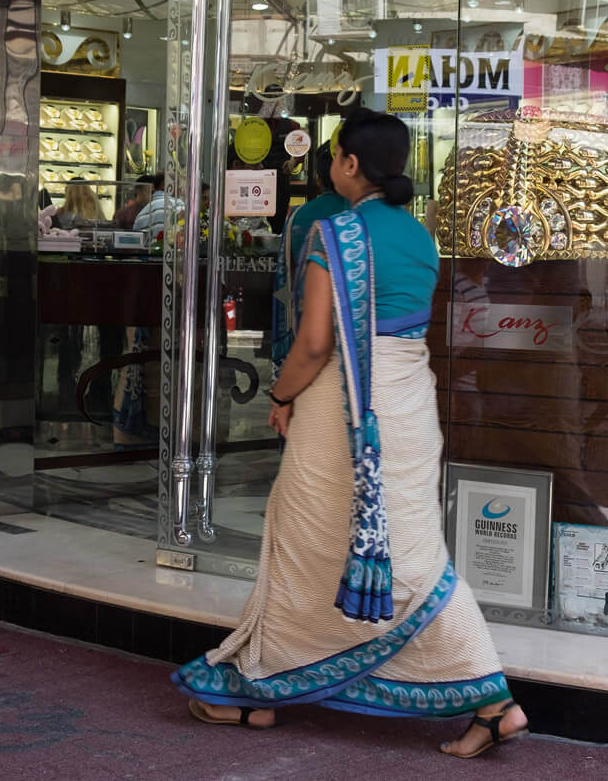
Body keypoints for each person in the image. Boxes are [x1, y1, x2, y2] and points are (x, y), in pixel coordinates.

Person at [172, 108, 528, 758]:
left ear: (350, 164)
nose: (331, 165)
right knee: (411, 552)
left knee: (306, 538)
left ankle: (274, 682)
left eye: (335, 155)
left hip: (345, 407)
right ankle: (484, 700)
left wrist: (279, 397)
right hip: (409, 403)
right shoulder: (421, 237)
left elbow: (312, 344)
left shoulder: (335, 233)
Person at [272, 140, 349, 380]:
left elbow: (289, 274)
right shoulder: (358, 214)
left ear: (318, 177)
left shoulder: (298, 216)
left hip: (306, 327)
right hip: (351, 330)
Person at [132, 171, 183, 236]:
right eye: (177, 184)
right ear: (164, 185)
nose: (180, 188)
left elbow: (136, 243)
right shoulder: (178, 205)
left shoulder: (140, 215)